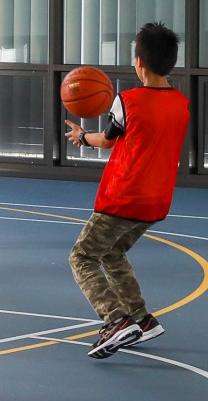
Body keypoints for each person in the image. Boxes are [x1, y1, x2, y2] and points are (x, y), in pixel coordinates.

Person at [64, 22, 189, 359]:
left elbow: (107, 141)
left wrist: (81, 137)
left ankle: (116, 320)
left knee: (82, 256)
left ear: (139, 63)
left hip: (122, 198)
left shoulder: (128, 100)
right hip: (156, 203)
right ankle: (141, 319)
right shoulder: (181, 104)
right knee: (112, 252)